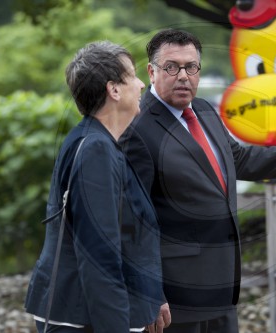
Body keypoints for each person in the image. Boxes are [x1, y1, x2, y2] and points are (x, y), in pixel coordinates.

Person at [120, 29, 276, 333]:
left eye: (191, 67)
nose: (183, 76)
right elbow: (133, 221)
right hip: (174, 295)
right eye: (172, 67)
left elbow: (241, 160)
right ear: (152, 72)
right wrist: (147, 292)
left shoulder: (204, 111)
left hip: (222, 285)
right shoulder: (137, 129)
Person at [24, 41, 171, 333]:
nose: (142, 84)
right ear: (113, 90)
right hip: (83, 317)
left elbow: (129, 237)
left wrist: (152, 295)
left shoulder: (98, 142)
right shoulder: (95, 150)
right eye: (132, 76)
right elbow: (99, 257)